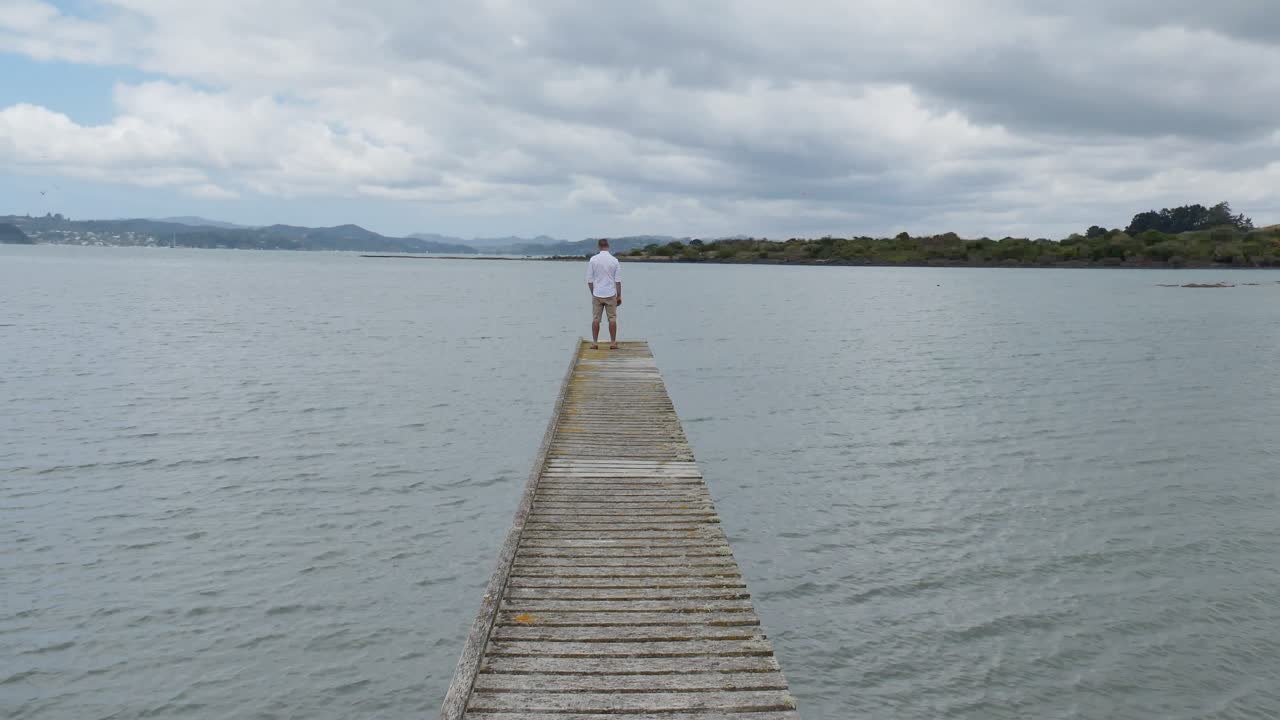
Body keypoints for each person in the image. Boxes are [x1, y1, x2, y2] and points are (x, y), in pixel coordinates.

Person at [586, 238, 622, 349]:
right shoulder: (614, 260)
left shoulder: (593, 260)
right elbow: (618, 281)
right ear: (608, 246)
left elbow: (589, 280)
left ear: (599, 246)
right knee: (612, 318)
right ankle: (612, 342)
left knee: (596, 318)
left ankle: (595, 343)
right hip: (610, 294)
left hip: (597, 293)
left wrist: (593, 293)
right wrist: (619, 295)